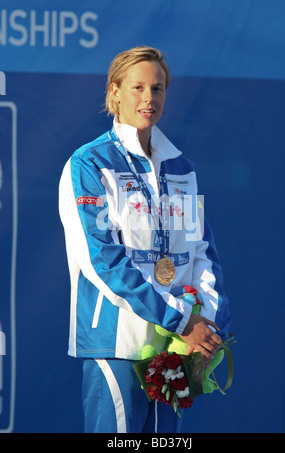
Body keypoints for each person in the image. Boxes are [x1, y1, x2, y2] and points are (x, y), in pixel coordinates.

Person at [58, 46, 230, 433]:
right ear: (114, 92)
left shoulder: (181, 167)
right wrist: (183, 319)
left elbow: (202, 253)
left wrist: (208, 325)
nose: (149, 99)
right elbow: (102, 261)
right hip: (118, 343)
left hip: (176, 347)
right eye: (137, 88)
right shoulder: (89, 164)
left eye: (158, 88)